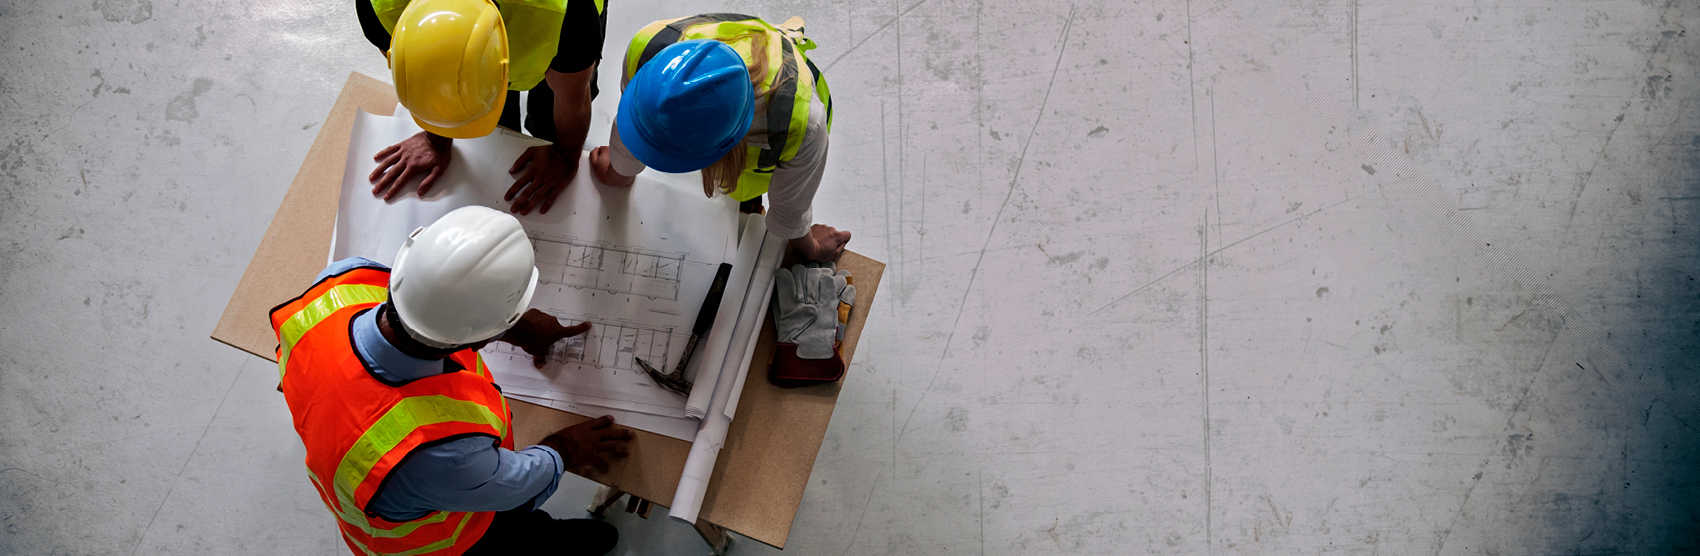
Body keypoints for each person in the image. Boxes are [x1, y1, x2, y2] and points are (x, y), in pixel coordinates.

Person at [271, 206, 633, 555]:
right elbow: (514, 487)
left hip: (365, 465)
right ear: (479, 341)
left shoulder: (342, 282)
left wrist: (510, 326)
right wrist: (566, 447)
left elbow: (429, 308)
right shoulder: (434, 453)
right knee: (516, 537)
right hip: (442, 543)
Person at [588, 14, 853, 262]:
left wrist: (811, 248)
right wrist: (619, 170)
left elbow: (789, 209)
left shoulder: (801, 127)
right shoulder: (649, 48)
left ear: (724, 146)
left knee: (741, 189)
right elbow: (638, 113)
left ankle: (745, 200)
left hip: (774, 136)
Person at [357, 0, 607, 215]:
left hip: (556, 24)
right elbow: (426, 77)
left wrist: (563, 157)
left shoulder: (569, 15)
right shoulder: (380, 7)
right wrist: (438, 137)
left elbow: (573, 98)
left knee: (547, 118)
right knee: (499, 129)